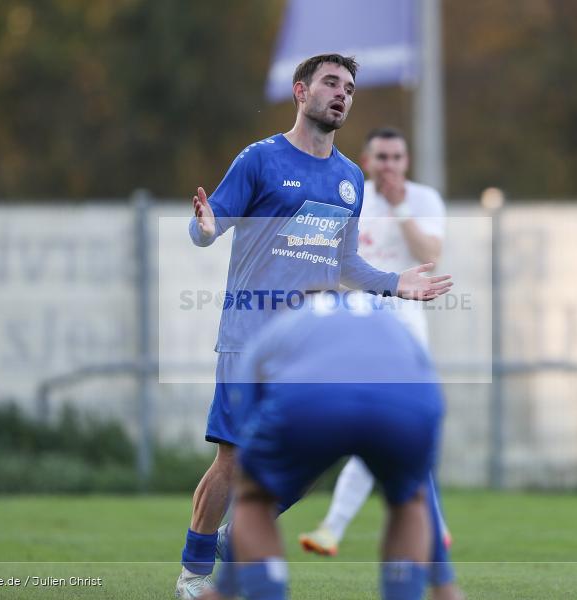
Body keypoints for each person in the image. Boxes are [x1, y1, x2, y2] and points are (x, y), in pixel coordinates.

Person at [177, 54, 452, 598]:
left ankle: (242, 533)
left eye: (349, 87)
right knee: (232, 458)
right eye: (330, 83)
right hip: (250, 337)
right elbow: (212, 223)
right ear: (301, 91)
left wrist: (396, 282)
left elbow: (346, 264)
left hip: (311, 348)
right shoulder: (258, 159)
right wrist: (204, 228)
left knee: (310, 458)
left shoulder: (351, 178)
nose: (342, 93)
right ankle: (194, 572)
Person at [299, 127, 461, 598]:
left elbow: (430, 254)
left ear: (406, 160)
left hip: (406, 329)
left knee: (391, 426)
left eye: (397, 156)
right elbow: (323, 259)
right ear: (367, 161)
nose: (390, 165)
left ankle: (334, 526)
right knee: (384, 428)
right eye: (382, 157)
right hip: (357, 325)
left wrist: (401, 207)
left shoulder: (424, 199)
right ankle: (433, 532)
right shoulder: (350, 197)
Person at [215, 291, 446, 600]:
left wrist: (225, 587)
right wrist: (445, 583)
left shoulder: (285, 323)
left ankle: (263, 589)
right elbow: (426, 380)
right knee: (410, 499)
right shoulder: (387, 318)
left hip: (308, 401)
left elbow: (245, 405)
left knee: (255, 497)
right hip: (407, 401)